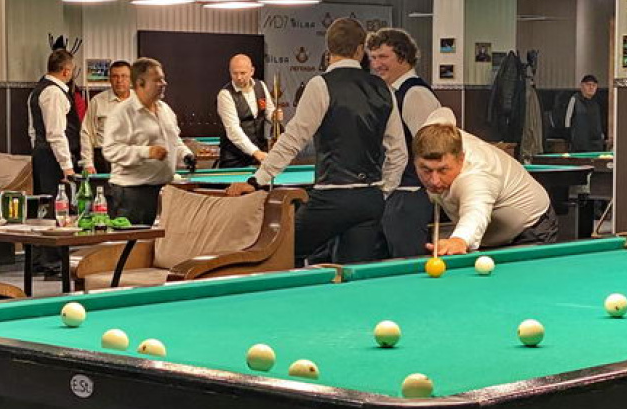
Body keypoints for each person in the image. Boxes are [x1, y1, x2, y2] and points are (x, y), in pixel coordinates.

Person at [225, 18, 407, 265]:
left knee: (279, 253)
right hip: (369, 200)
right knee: (351, 273)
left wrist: (258, 180)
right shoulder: (383, 88)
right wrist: (381, 192)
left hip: (331, 198)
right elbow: (398, 153)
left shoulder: (321, 85)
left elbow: (293, 140)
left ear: (328, 49)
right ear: (360, 49)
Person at [414, 107, 558, 255]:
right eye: (426, 170)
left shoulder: (477, 174)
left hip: (530, 230)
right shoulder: (433, 134)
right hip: (489, 236)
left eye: (443, 170)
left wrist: (459, 240)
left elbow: (475, 212)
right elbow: (444, 113)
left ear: (461, 159)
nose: (434, 181)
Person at [367, 27, 441, 258]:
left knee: (408, 262)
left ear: (404, 57)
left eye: (383, 57)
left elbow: (431, 148)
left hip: (410, 195)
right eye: (373, 57)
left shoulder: (415, 93)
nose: (376, 64)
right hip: (394, 193)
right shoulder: (390, 92)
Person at [102, 58, 195, 225]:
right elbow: (110, 150)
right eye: (158, 80)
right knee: (134, 241)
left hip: (165, 190)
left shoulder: (165, 109)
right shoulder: (122, 113)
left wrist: (185, 155)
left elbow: (174, 140)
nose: (164, 83)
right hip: (132, 194)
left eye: (163, 79)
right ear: (140, 83)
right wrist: (146, 152)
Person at [28, 48, 80, 277]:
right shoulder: (54, 93)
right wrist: (67, 166)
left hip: (42, 155)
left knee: (47, 206)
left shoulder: (37, 90)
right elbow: (56, 134)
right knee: (57, 208)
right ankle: (52, 262)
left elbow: (32, 130)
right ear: (66, 71)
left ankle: (41, 259)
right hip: (53, 158)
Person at [216, 54, 282, 168]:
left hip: (259, 155)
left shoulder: (261, 86)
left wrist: (274, 117)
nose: (239, 77)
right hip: (234, 160)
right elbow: (233, 130)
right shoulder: (225, 95)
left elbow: (268, 112)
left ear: (252, 71)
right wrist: (255, 152)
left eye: (243, 73)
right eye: (235, 73)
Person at [80, 60, 132, 174]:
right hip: (104, 160)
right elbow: (86, 133)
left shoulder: (140, 101)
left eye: (124, 76)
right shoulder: (97, 101)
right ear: (110, 79)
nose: (119, 80)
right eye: (115, 76)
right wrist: (87, 163)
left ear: (131, 79)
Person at [564, 74, 605, 152]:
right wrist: (569, 140)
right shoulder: (574, 100)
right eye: (588, 85)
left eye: (594, 85)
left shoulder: (597, 103)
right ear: (582, 86)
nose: (591, 87)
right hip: (579, 147)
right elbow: (567, 121)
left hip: (596, 147)